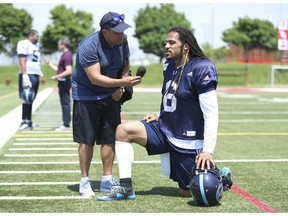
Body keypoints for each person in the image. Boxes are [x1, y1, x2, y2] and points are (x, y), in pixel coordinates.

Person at [97, 26, 219, 201]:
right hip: (164, 129)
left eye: (172, 43)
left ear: (185, 46)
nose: (166, 46)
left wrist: (208, 150)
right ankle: (125, 187)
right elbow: (171, 95)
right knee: (123, 130)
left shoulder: (202, 68)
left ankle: (221, 177)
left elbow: (211, 113)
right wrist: (159, 115)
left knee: (188, 192)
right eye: (166, 43)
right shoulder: (169, 66)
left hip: (188, 140)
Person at [71, 12, 142, 197]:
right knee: (87, 139)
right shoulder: (89, 45)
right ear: (104, 31)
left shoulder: (122, 41)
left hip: (111, 95)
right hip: (86, 96)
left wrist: (121, 82)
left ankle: (106, 179)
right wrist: (122, 84)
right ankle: (84, 181)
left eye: (123, 31)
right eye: (117, 31)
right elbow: (95, 78)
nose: (122, 34)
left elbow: (125, 65)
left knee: (110, 137)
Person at [44, 38, 73, 131]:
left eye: (59, 44)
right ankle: (65, 123)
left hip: (64, 82)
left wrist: (57, 76)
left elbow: (69, 71)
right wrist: (49, 64)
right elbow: (60, 69)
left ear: (63, 44)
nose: (58, 46)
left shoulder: (67, 55)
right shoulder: (65, 55)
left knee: (65, 103)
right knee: (64, 103)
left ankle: (66, 124)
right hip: (63, 82)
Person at [17, 29, 42, 130]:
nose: (38, 38)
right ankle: (24, 120)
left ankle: (29, 121)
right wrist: (24, 75)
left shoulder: (35, 46)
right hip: (28, 74)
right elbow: (22, 61)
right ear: (31, 35)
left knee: (32, 98)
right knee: (26, 97)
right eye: (36, 36)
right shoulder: (24, 44)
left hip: (35, 74)